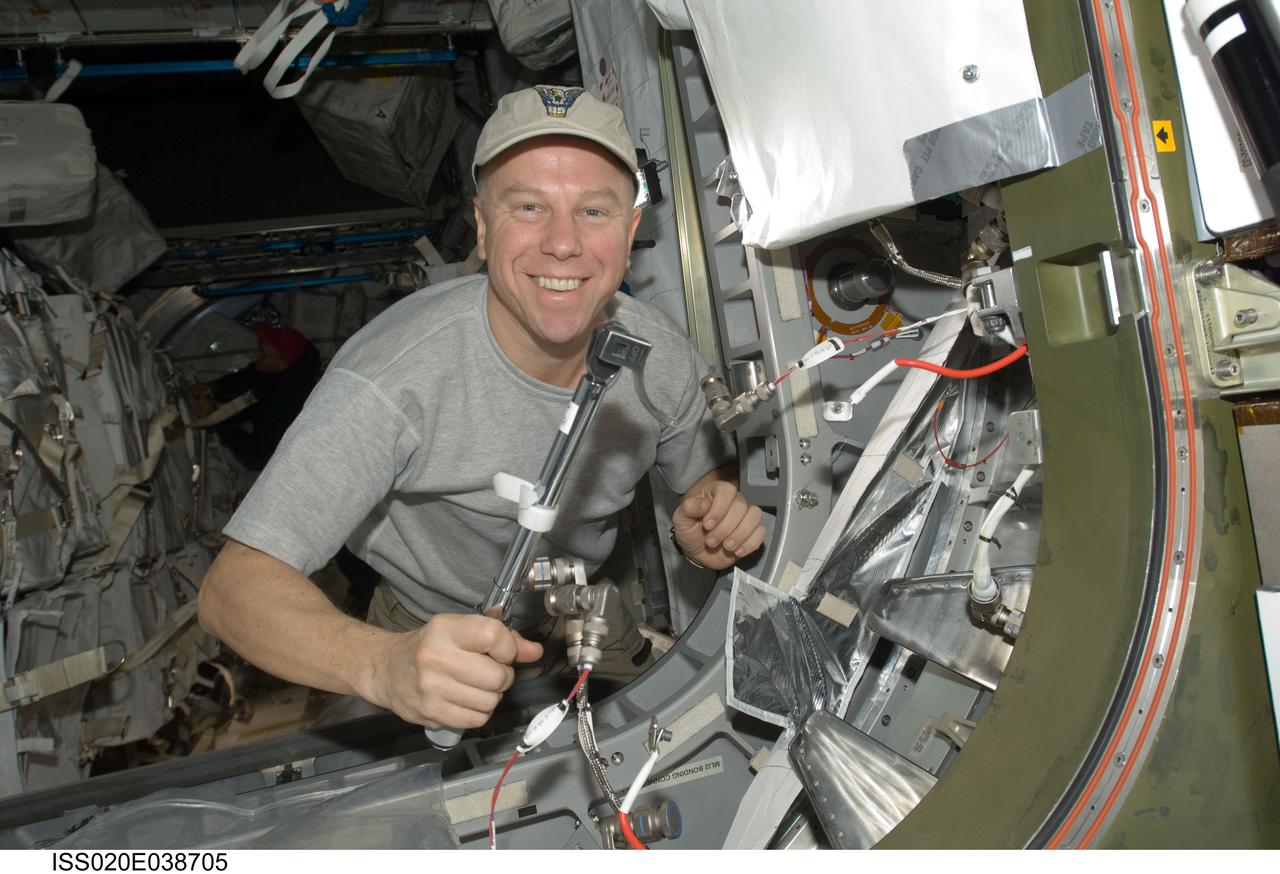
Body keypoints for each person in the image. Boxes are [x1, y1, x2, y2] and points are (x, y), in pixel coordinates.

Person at [197, 85, 767, 733]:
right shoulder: (390, 379)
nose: (562, 243)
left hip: (584, 610)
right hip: (430, 633)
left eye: (594, 211)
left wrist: (707, 519)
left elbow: (706, 481)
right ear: (484, 225)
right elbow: (234, 588)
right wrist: (385, 667)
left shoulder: (658, 354)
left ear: (631, 229)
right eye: (529, 206)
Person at [192, 322, 322, 471]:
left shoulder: (285, 402)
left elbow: (257, 456)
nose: (257, 356)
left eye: (264, 355)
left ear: (282, 363)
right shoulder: (277, 368)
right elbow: (247, 377)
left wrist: (215, 419)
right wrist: (213, 388)